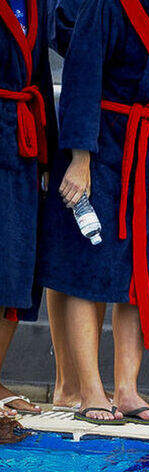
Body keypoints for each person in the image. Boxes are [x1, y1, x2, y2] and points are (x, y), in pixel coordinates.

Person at [36, 0, 149, 425]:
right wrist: (79, 158)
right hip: (102, 145)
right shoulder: (109, 5)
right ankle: (91, 391)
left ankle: (128, 390)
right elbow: (81, 75)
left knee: (144, 271)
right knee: (89, 268)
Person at [0, 0, 59, 417]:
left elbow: (39, 79)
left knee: (16, 266)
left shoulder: (37, 4)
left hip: (22, 142)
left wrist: (50, 159)